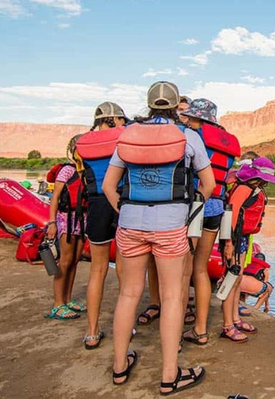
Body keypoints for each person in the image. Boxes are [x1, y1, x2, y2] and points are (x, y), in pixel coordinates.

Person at [103, 81, 213, 393]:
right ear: (177, 104)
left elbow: (110, 186)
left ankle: (120, 367)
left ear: (149, 104)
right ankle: (169, 375)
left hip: (130, 225)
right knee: (172, 298)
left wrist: (125, 210)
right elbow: (209, 183)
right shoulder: (188, 136)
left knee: (128, 294)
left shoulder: (128, 135)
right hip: (171, 227)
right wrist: (189, 214)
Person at [181, 98, 241, 346]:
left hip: (194, 205)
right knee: (201, 268)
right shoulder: (226, 141)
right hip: (216, 207)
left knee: (184, 268)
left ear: (196, 117)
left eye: (190, 117)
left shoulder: (192, 135)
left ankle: (180, 319)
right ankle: (201, 329)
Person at [137, 94, 194, 327]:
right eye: (178, 110)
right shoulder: (148, 136)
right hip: (152, 208)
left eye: (185, 112)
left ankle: (183, 305)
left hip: (184, 207)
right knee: (151, 259)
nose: (181, 115)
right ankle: (155, 303)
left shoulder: (189, 137)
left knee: (186, 259)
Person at [77, 102, 128, 349]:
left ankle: (92, 331)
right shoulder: (122, 138)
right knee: (123, 270)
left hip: (96, 206)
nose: (123, 124)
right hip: (120, 202)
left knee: (97, 270)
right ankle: (125, 325)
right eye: (121, 120)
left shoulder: (82, 143)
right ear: (114, 119)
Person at [220, 157, 275, 342]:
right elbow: (231, 214)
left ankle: (235, 319)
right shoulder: (244, 189)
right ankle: (228, 325)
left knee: (237, 280)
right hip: (234, 239)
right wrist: (229, 243)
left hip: (242, 238)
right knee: (231, 281)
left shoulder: (252, 189)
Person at [44, 135, 87, 320]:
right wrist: (52, 222)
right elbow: (55, 197)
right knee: (65, 261)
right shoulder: (67, 171)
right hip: (65, 218)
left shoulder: (86, 171)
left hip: (82, 218)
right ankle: (57, 304)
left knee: (75, 259)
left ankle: (68, 300)